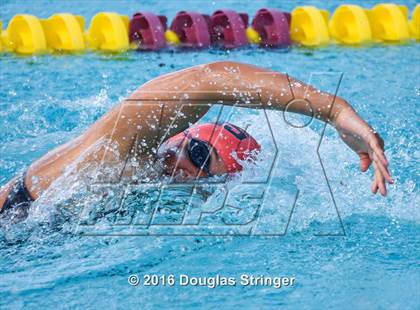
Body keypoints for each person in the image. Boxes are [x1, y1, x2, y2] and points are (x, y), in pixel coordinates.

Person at [0, 61, 393, 219]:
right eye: (190, 141)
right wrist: (336, 111)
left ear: (208, 185)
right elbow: (211, 79)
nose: (181, 154)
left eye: (202, 157)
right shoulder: (124, 149)